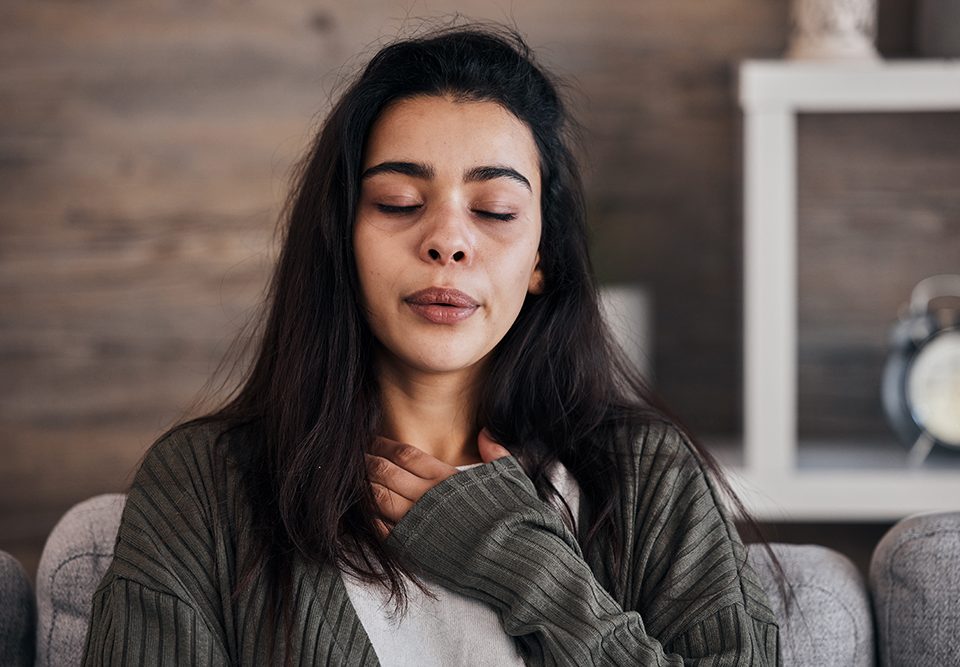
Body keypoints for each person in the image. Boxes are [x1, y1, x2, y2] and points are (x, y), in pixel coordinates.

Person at [81, 23, 782, 666]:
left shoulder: (645, 478)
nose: (447, 239)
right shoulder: (201, 488)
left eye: (495, 211)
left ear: (542, 254)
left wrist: (529, 568)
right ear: (341, 237)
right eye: (398, 203)